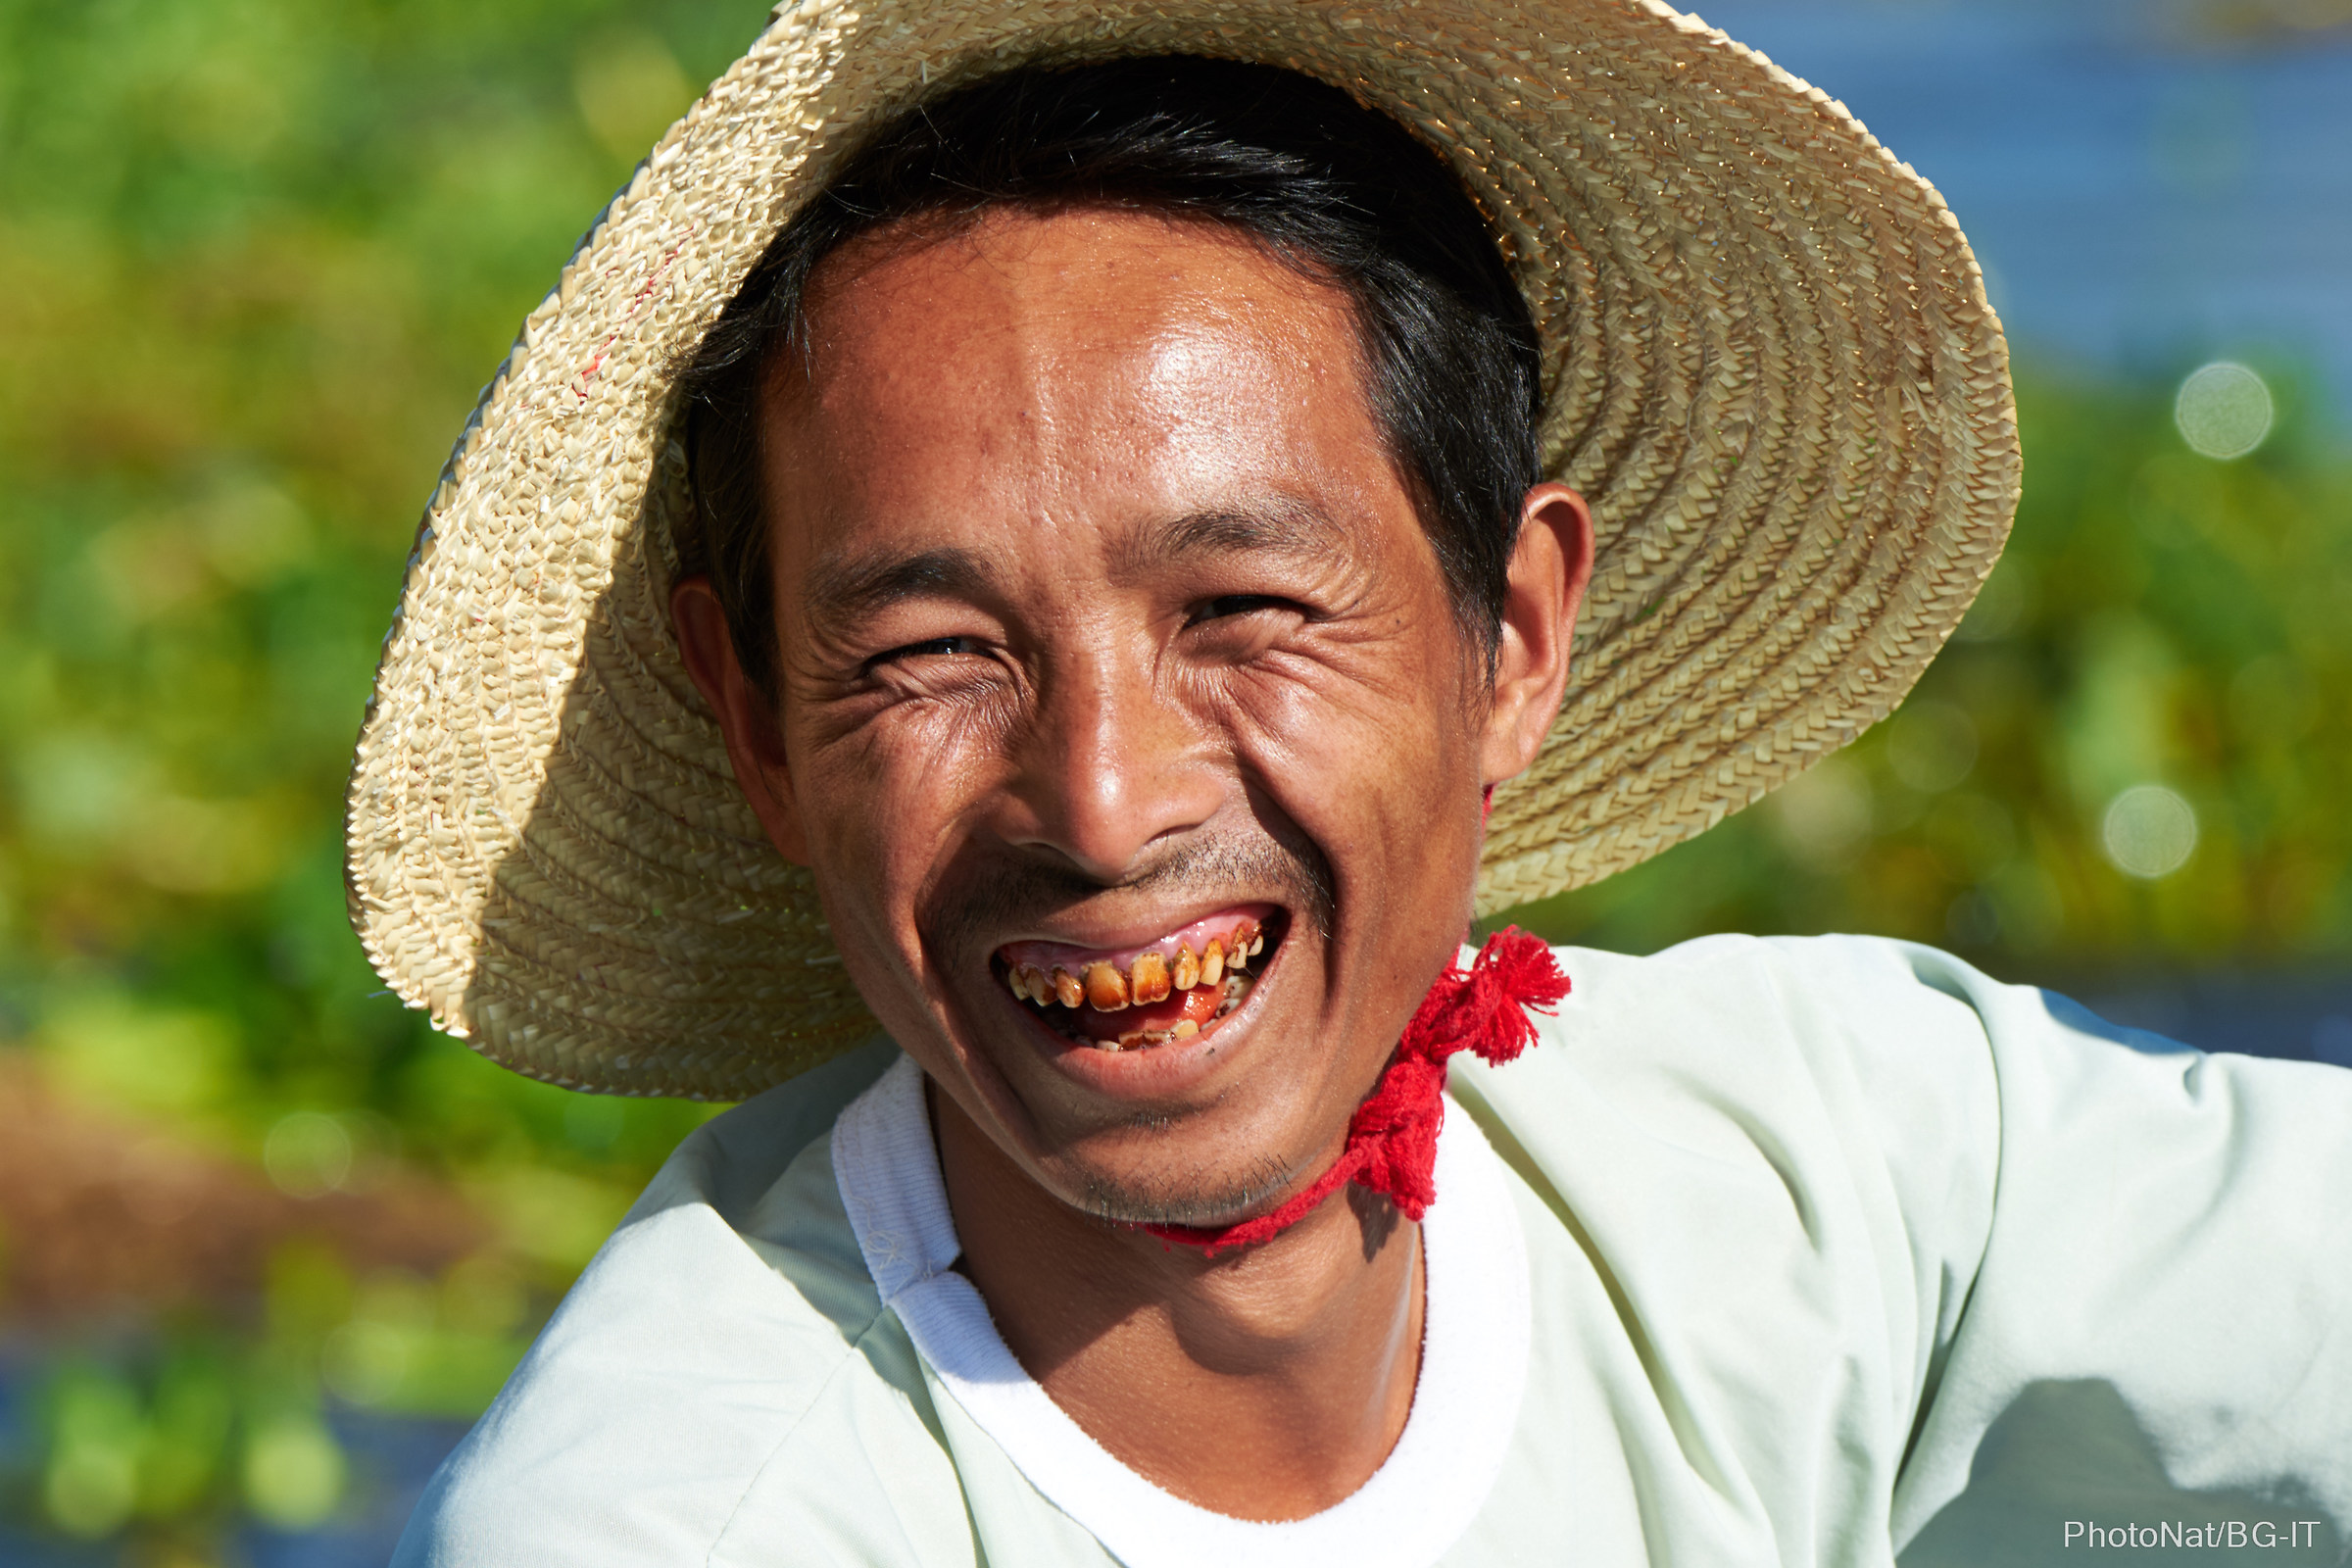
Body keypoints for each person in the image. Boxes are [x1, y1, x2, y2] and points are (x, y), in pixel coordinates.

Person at [347, 4, 2352, 1564]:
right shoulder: (687, 1514)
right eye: (935, 653)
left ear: (1514, 637)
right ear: (761, 728)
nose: (1105, 803)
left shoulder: (1831, 1172)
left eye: (1240, 608)